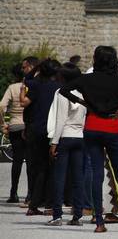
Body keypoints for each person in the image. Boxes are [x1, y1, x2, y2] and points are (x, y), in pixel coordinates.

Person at [59, 46, 118, 233]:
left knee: (97, 175)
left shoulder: (86, 79)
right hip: (112, 126)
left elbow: (64, 90)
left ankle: (99, 222)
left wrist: (84, 103)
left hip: (92, 125)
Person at [20, 59, 62, 216]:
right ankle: (50, 204)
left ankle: (34, 204)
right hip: (52, 130)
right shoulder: (59, 87)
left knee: (40, 169)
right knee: (53, 168)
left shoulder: (36, 86)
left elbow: (27, 80)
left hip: (37, 129)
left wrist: (37, 66)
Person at [46, 63, 86, 226]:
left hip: (65, 137)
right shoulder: (83, 92)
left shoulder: (62, 92)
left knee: (59, 177)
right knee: (78, 178)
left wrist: (54, 142)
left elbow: (60, 119)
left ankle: (57, 215)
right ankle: (77, 215)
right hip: (80, 137)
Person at [0, 64, 26, 203]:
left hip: (15, 126)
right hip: (29, 126)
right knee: (33, 162)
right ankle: (31, 194)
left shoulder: (12, 88)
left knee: (17, 160)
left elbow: (1, 106)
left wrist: (3, 124)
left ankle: (13, 192)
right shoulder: (30, 86)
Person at [19, 56, 39, 207]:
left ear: (31, 67)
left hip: (34, 126)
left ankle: (32, 197)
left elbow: (24, 103)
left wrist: (22, 88)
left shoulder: (34, 84)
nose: (23, 70)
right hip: (34, 125)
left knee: (32, 164)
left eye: (24, 67)